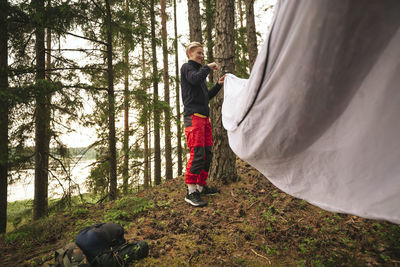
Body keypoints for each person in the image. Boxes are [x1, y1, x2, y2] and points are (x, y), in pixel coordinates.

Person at [180, 41, 225, 207]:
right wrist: (207, 67)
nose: (202, 55)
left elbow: (206, 96)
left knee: (207, 153)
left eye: (202, 52)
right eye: (198, 52)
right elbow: (194, 79)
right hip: (193, 118)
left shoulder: (199, 73)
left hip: (204, 119)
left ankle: (201, 186)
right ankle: (190, 192)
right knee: (198, 153)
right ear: (190, 53)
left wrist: (218, 85)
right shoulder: (187, 69)